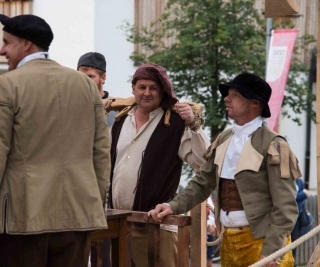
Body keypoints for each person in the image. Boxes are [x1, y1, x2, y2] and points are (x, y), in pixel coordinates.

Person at [149, 72, 302, 267]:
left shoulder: (274, 145)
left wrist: (272, 251)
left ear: (255, 104)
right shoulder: (224, 138)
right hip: (229, 241)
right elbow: (202, 183)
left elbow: (286, 206)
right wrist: (172, 206)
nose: (226, 98)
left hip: (263, 243)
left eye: (235, 95)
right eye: (228, 94)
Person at [0, 14, 110, 267]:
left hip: (22, 219)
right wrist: (93, 202)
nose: (2, 49)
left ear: (26, 44)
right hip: (78, 215)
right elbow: (101, 153)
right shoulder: (85, 85)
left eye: (7, 42)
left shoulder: (7, 85)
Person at [108, 62, 210, 267]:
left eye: (153, 88)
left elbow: (204, 163)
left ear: (162, 92)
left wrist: (193, 125)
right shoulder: (120, 120)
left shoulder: (175, 123)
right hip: (118, 224)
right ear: (133, 89)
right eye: (142, 87)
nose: (147, 93)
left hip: (156, 225)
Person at [77, 51, 116, 126]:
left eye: (90, 76)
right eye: (81, 76)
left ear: (103, 77)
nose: (84, 81)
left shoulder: (115, 108)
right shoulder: (72, 106)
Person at [291, 178, 311, 263]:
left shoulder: (299, 181)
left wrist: (299, 196)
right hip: (288, 216)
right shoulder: (287, 180)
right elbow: (290, 198)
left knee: (294, 240)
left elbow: (300, 198)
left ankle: (293, 262)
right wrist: (303, 194)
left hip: (298, 216)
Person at [206, 196, 216, 267]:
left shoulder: (210, 198)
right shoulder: (201, 196)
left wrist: (215, 226)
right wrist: (208, 226)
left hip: (210, 234)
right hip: (203, 234)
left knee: (209, 261)